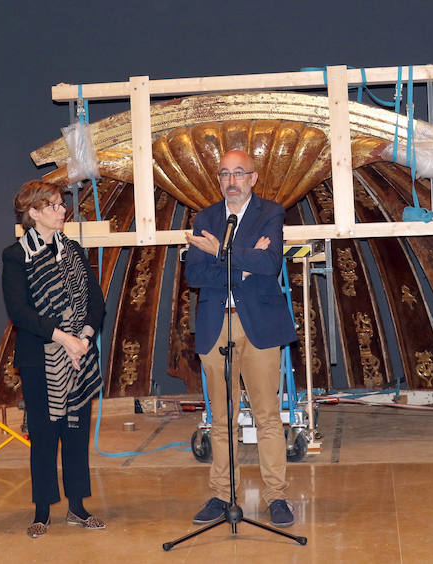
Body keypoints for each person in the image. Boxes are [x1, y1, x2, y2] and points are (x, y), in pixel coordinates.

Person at [185, 149, 298, 527]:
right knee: (221, 419)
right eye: (223, 175)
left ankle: (276, 496)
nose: (231, 182)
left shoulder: (271, 213)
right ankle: (221, 494)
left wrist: (220, 251)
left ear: (253, 178)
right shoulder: (205, 217)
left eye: (238, 174)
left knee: (267, 416)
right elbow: (195, 276)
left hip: (260, 327)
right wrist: (242, 266)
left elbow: (270, 264)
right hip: (217, 324)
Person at [2, 180, 106, 539]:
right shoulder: (15, 256)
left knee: (75, 434)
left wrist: (84, 339)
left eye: (62, 205)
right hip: (40, 359)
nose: (62, 211)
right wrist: (64, 339)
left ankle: (77, 508)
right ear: (33, 213)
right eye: (53, 207)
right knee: (45, 437)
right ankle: (42, 510)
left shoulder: (74, 251)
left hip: (79, 357)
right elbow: (20, 312)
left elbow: (97, 303)